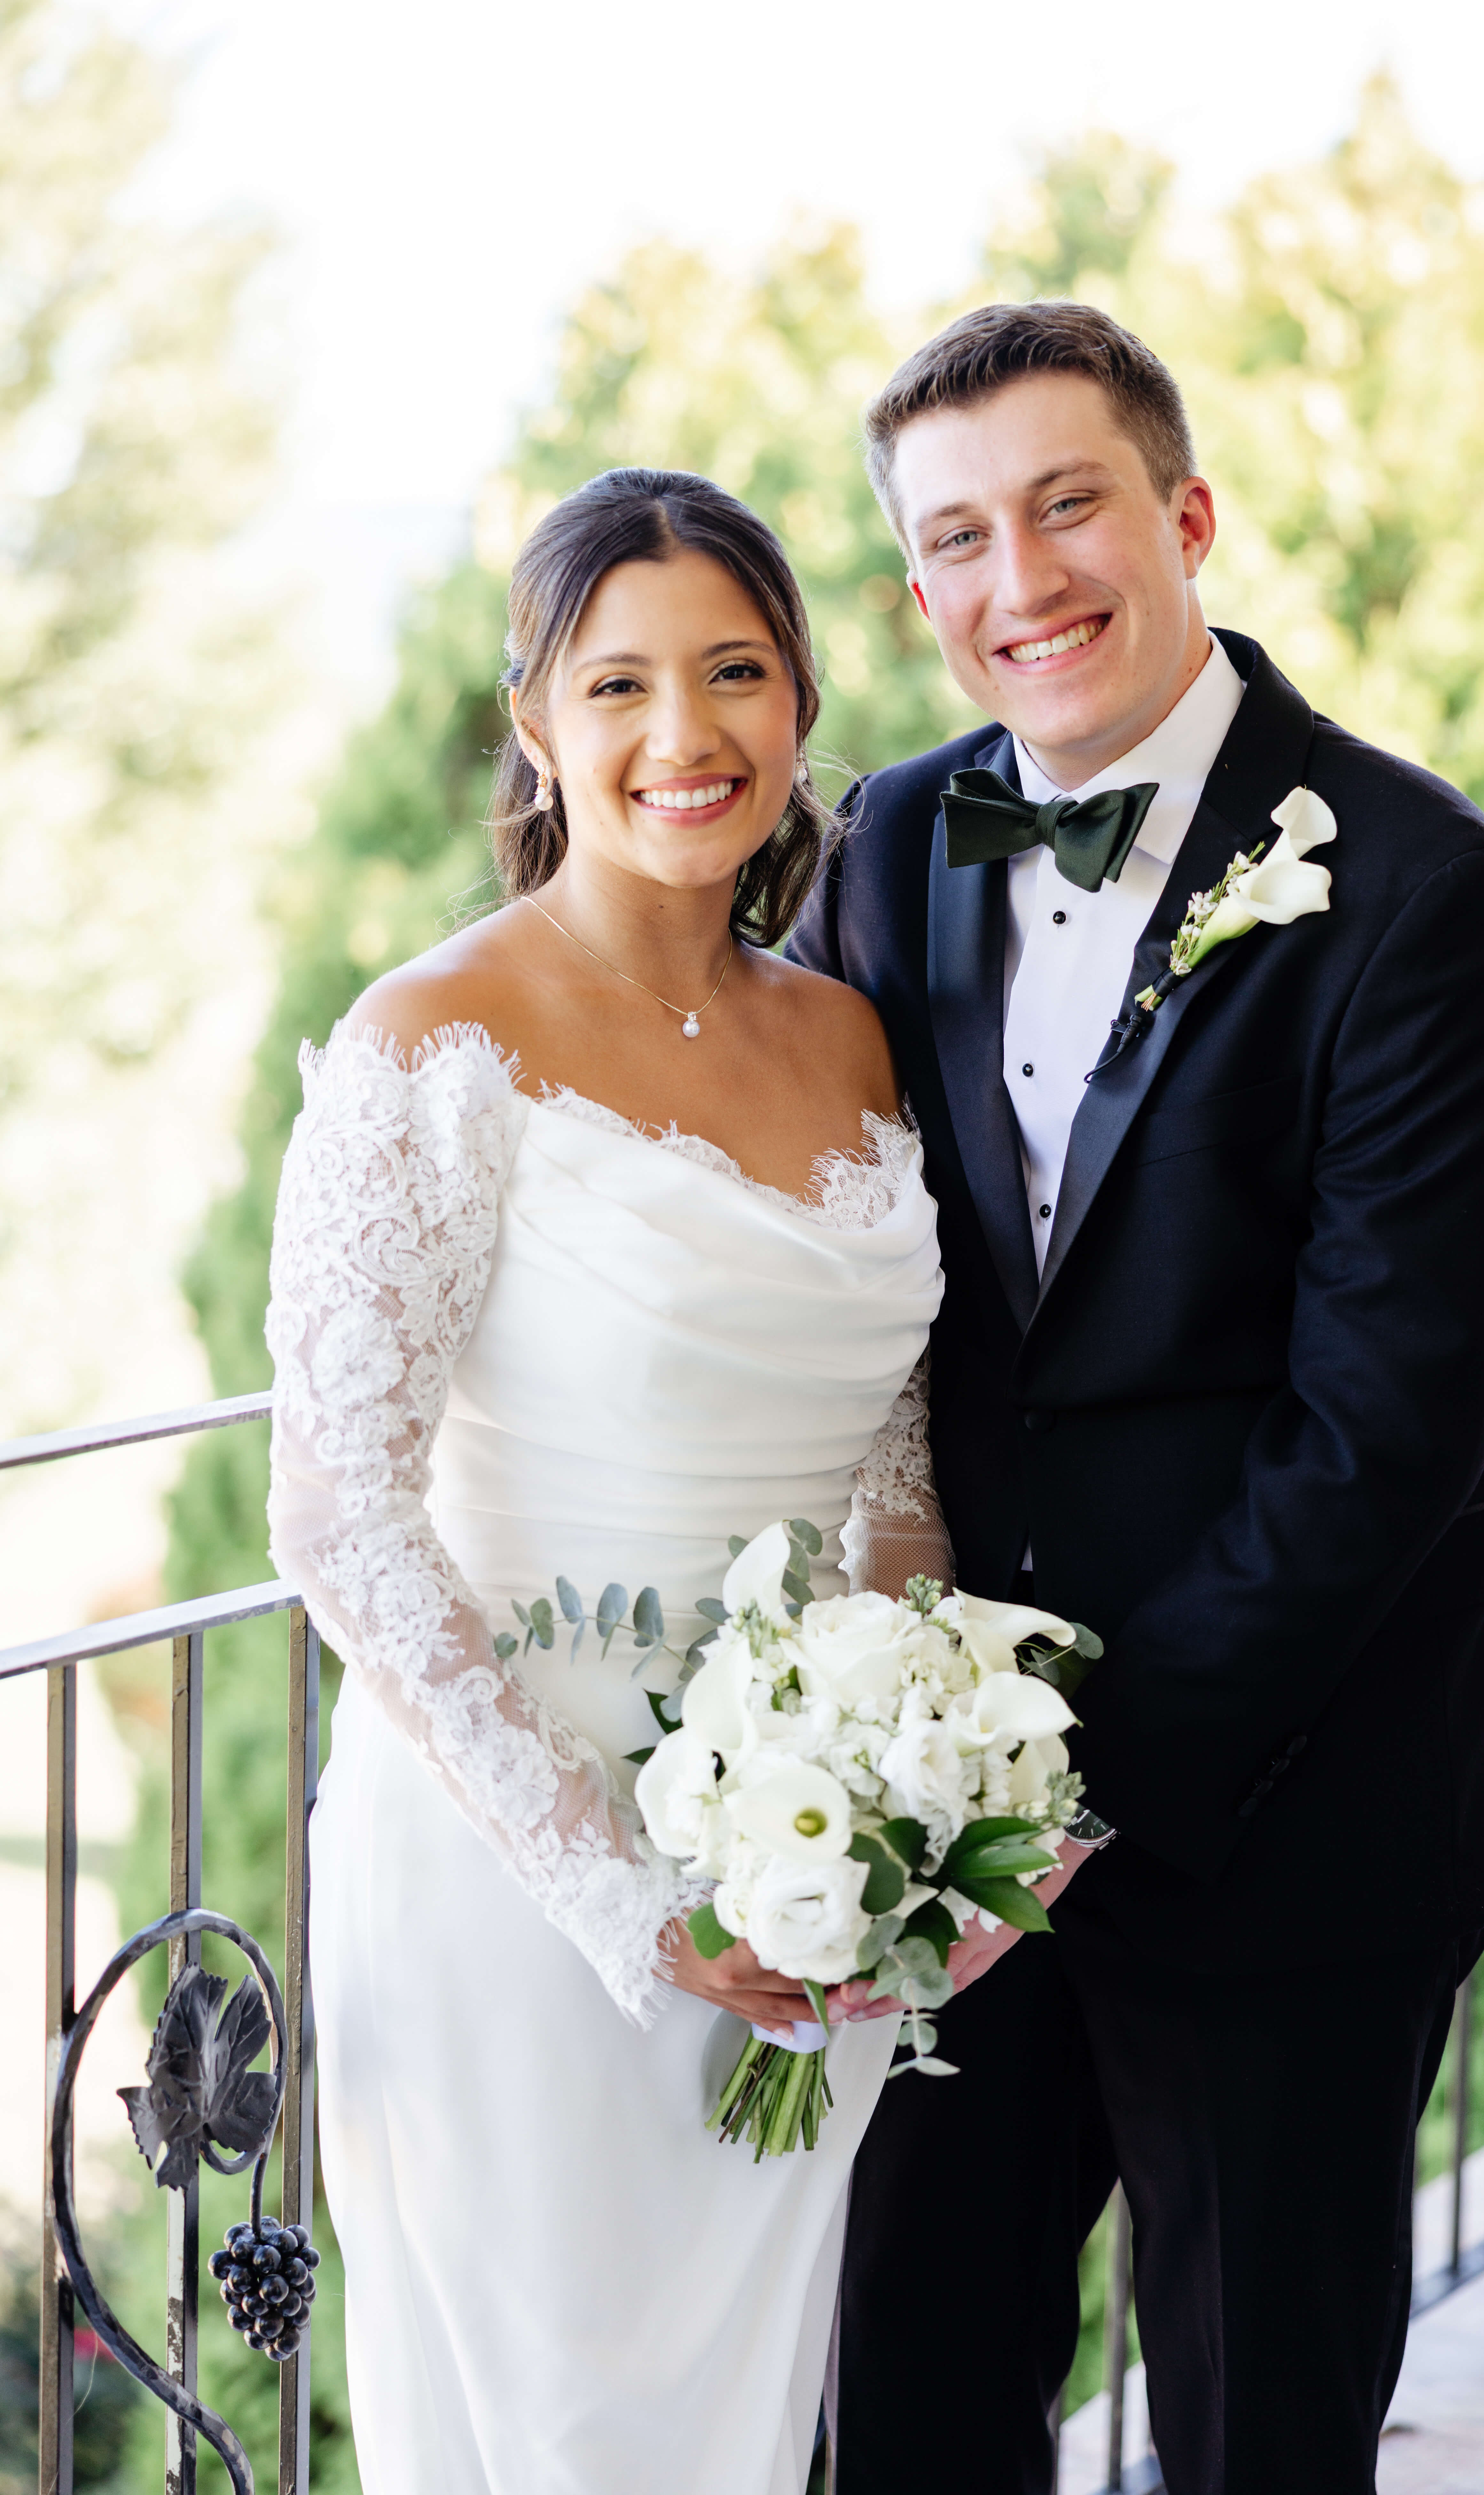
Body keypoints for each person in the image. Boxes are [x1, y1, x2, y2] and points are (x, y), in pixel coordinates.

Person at [791, 300, 1484, 2495]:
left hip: (1299, 1798)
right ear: (918, 592)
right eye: (958, 537)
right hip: (949, 1821)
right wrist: (915, 1774)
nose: (1019, 580)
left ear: (1186, 517)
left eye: (1067, 506)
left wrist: (1078, 1777)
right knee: (908, 2403)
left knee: (1253, 2431)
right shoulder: (888, 847)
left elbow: (1383, 1436)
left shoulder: (1434, 901)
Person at [263, 468, 951, 2495]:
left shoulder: (849, 1042)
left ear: (798, 701)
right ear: (537, 727)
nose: (685, 734)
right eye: (619, 684)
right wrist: (618, 1896)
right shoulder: (431, 1046)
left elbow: (895, 1463)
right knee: (562, 2435)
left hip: (796, 1872)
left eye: (734, 672)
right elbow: (341, 1517)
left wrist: (903, 1797)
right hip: (523, 1877)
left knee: (738, 2428)